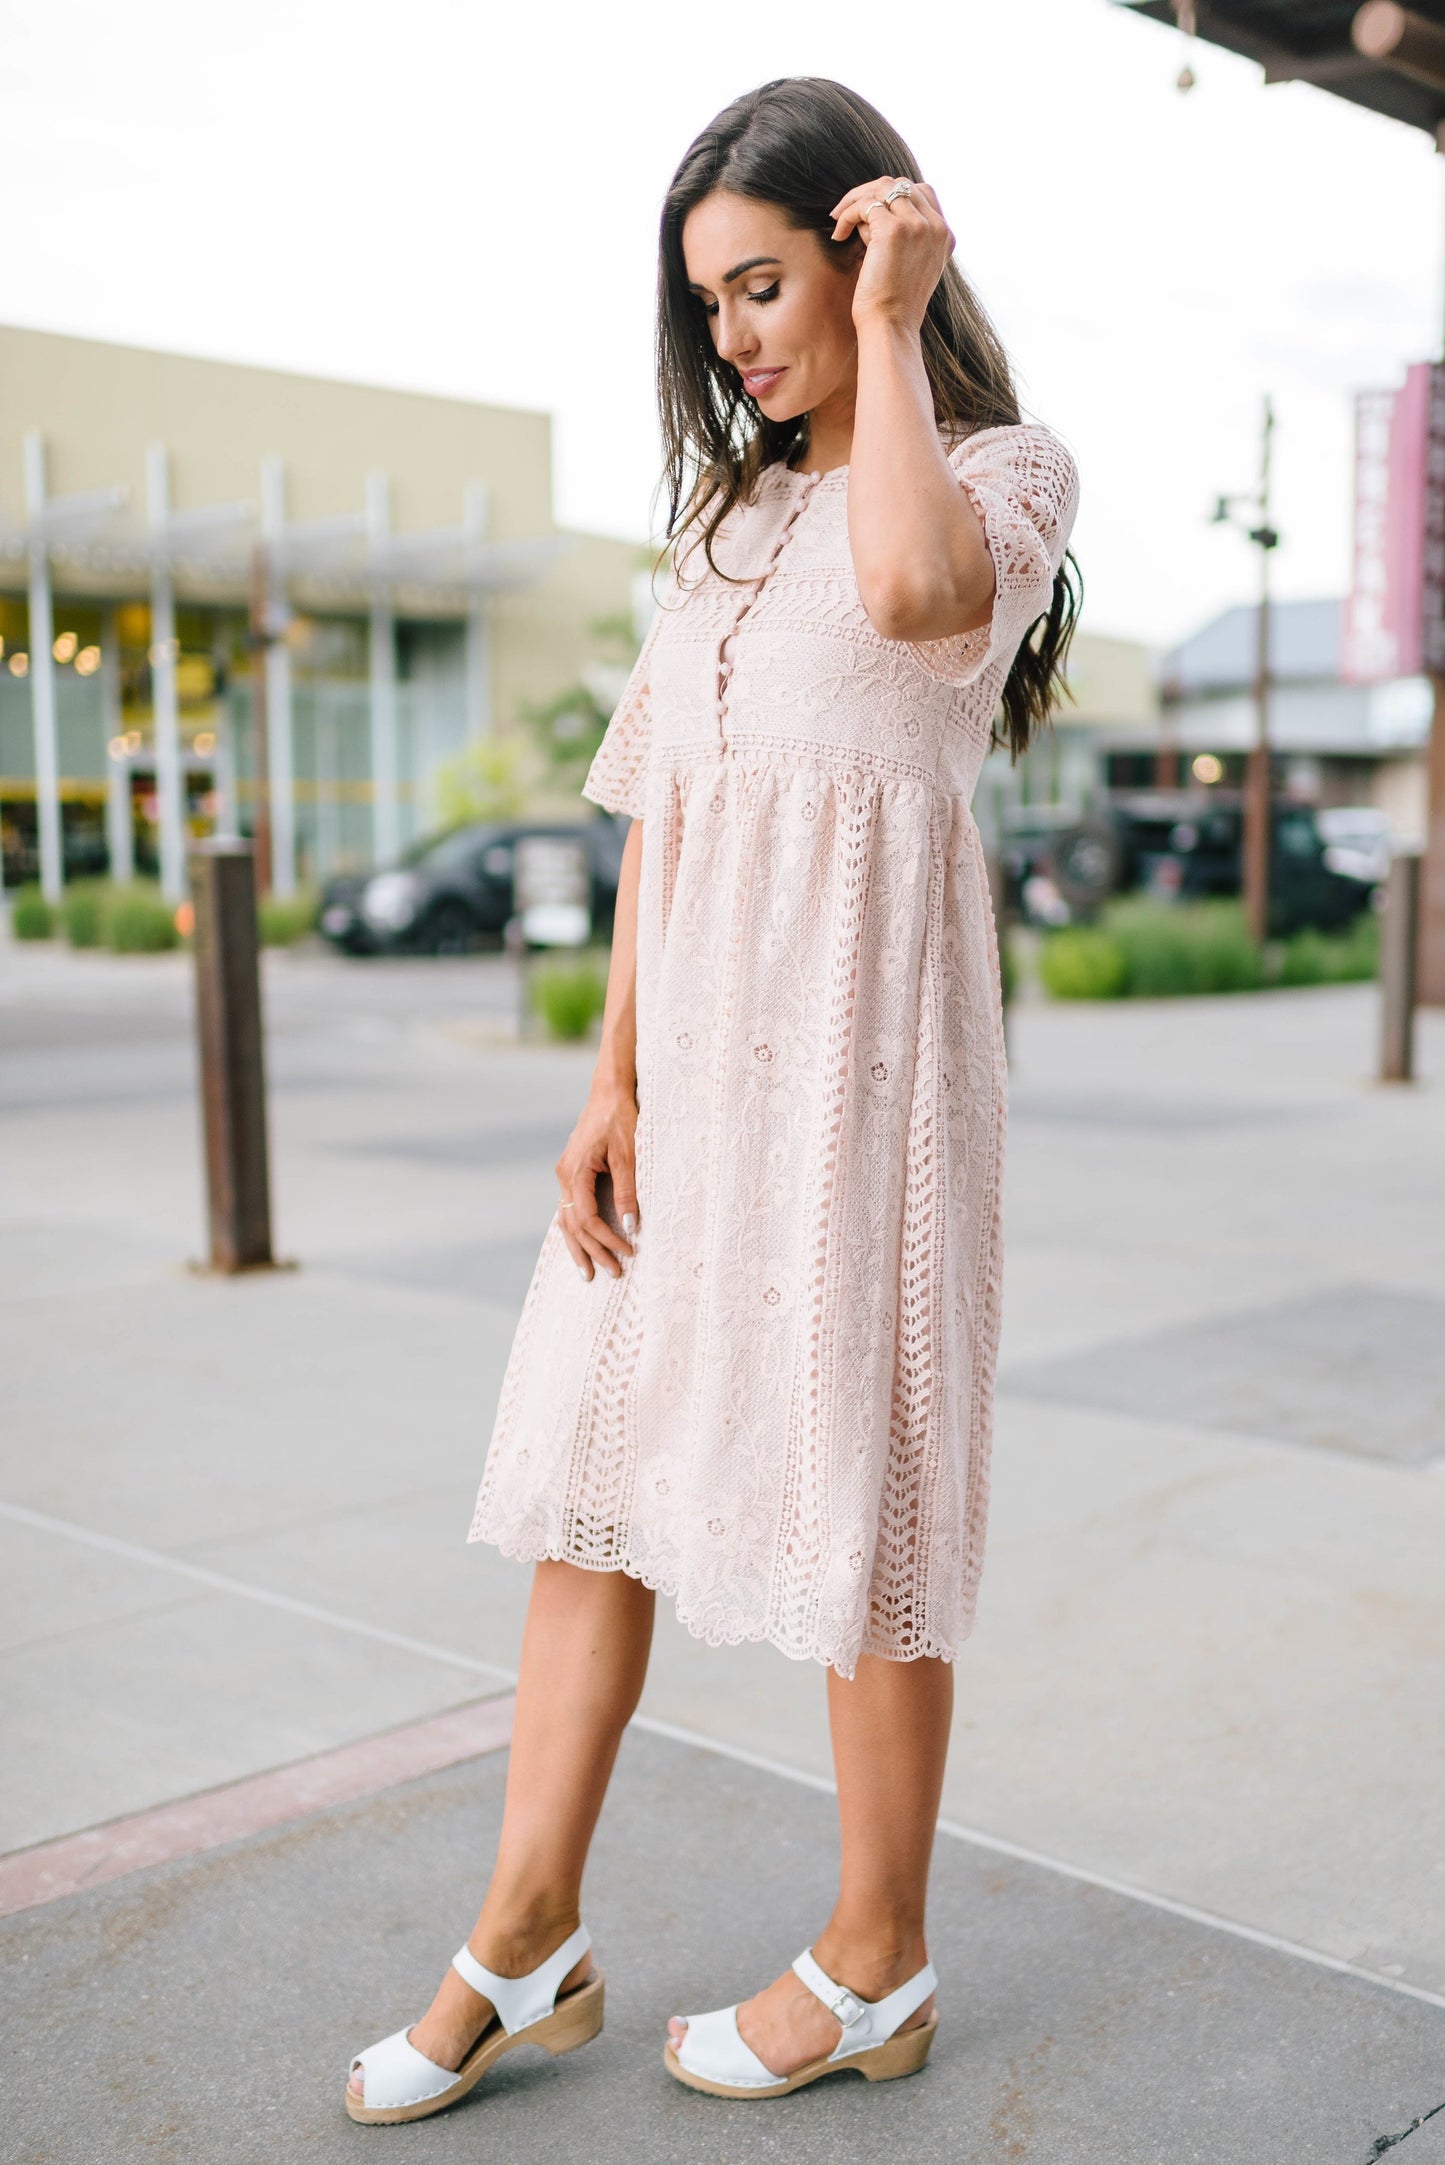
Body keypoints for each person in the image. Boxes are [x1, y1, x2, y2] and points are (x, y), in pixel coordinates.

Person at [345, 73, 1079, 2123]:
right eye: (716, 308)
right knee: (593, 1481)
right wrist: (607, 1078)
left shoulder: (1000, 469)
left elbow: (929, 602)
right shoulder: (723, 522)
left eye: (768, 284)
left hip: (862, 1085)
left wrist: (890, 336)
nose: (743, 338)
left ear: (862, 251)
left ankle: (877, 1959)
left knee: (862, 1499)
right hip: (690, 1091)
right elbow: (661, 811)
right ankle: (523, 1931)